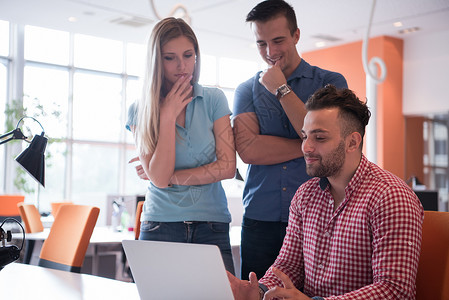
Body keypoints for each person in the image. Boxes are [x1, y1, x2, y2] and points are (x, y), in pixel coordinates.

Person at [228, 84, 424, 300]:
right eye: (304, 137)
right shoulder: (305, 195)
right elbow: (288, 266)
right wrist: (259, 291)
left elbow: (395, 290)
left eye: (319, 138)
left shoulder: (391, 196)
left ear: (352, 142)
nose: (306, 147)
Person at [232, 0, 348, 280]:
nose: (270, 52)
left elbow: (332, 145)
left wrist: (281, 90)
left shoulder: (330, 83)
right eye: (261, 44)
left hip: (317, 216)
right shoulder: (247, 89)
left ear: (296, 35)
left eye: (278, 40)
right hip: (260, 216)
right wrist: (312, 147)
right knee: (257, 292)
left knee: (311, 294)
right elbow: (249, 151)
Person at [126, 17, 236, 274]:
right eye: (170, 57)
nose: (181, 66)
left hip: (212, 224)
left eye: (188, 55)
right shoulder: (140, 110)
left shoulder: (214, 99)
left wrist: (170, 177)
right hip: (159, 225)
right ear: (156, 61)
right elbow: (159, 179)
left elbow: (228, 167)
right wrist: (166, 116)